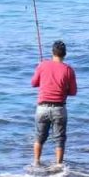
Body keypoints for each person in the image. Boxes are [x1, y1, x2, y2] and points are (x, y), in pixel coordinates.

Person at [30, 39, 78, 167]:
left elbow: (34, 83)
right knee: (60, 139)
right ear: (65, 54)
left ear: (52, 52)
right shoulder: (69, 70)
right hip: (59, 109)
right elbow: (73, 92)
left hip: (42, 108)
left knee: (39, 137)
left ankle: (36, 163)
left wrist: (41, 69)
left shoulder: (42, 65)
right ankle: (58, 166)